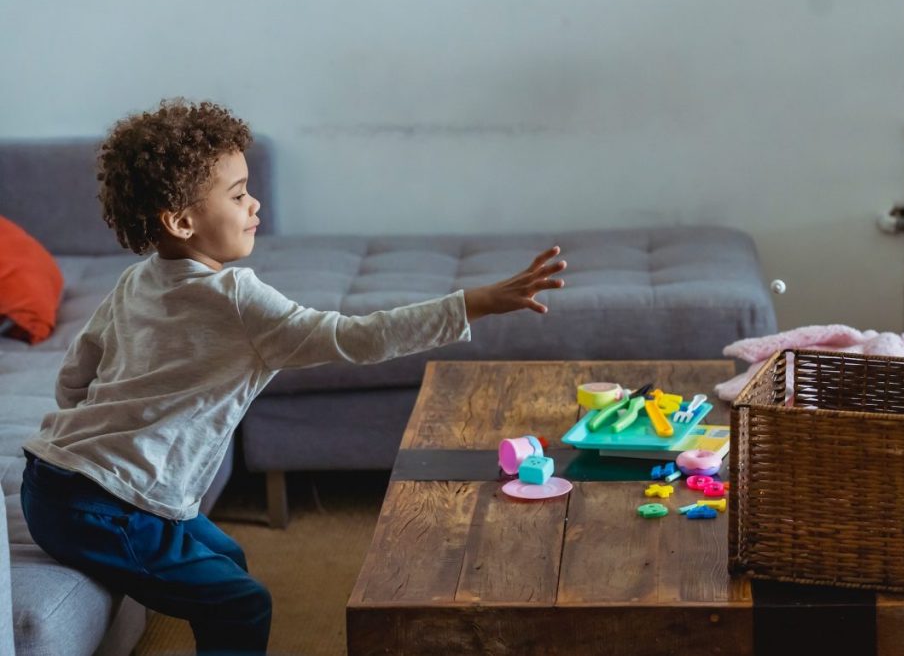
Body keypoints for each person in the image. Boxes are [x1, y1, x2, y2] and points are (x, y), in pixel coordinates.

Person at [20, 98, 567, 655]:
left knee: (227, 560)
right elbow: (356, 338)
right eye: (237, 196)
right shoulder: (236, 298)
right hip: (105, 509)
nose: (255, 204)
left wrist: (99, 438)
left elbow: (75, 375)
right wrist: (471, 303)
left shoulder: (136, 280)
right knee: (242, 602)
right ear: (182, 221)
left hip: (49, 484)